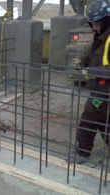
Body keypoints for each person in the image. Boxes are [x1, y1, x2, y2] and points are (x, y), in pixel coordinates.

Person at [71, 0, 110, 164]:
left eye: (95, 23)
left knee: (88, 121)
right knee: (104, 124)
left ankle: (82, 153)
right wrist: (82, 61)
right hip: (101, 90)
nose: (93, 27)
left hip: (104, 90)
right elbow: (96, 56)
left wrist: (90, 72)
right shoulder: (102, 36)